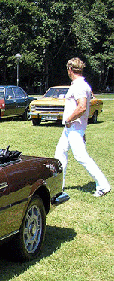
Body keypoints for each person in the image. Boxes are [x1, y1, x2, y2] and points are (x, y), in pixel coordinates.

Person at [54, 57, 110, 197]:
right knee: (60, 153)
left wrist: (68, 120)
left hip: (73, 127)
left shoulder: (79, 86)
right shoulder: (79, 85)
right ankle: (58, 186)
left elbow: (82, 107)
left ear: (70, 70)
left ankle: (103, 186)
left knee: (81, 156)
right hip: (71, 128)